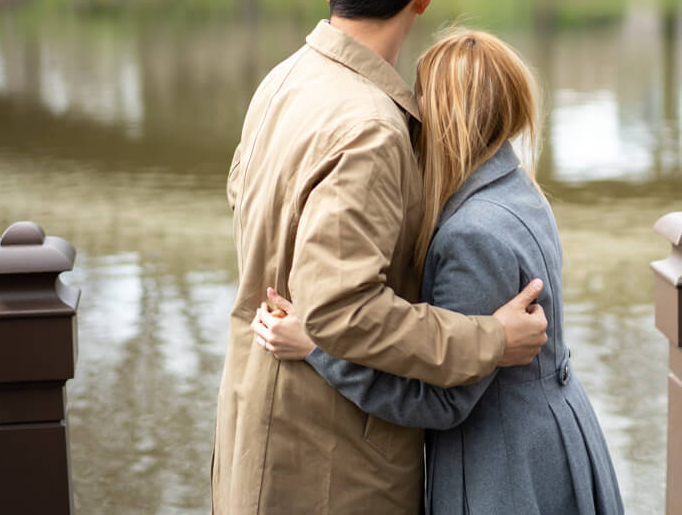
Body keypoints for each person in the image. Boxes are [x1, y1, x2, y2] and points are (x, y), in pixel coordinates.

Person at [211, 0, 550, 515]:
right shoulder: (370, 125)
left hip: (251, 425)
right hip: (330, 465)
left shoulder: (282, 81)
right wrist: (489, 339)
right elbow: (340, 310)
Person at [253, 29, 625, 515]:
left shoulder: (472, 234)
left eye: (422, 94)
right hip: (551, 435)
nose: (413, 108)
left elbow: (441, 403)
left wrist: (317, 347)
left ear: (448, 116)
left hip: (503, 468)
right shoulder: (517, 188)